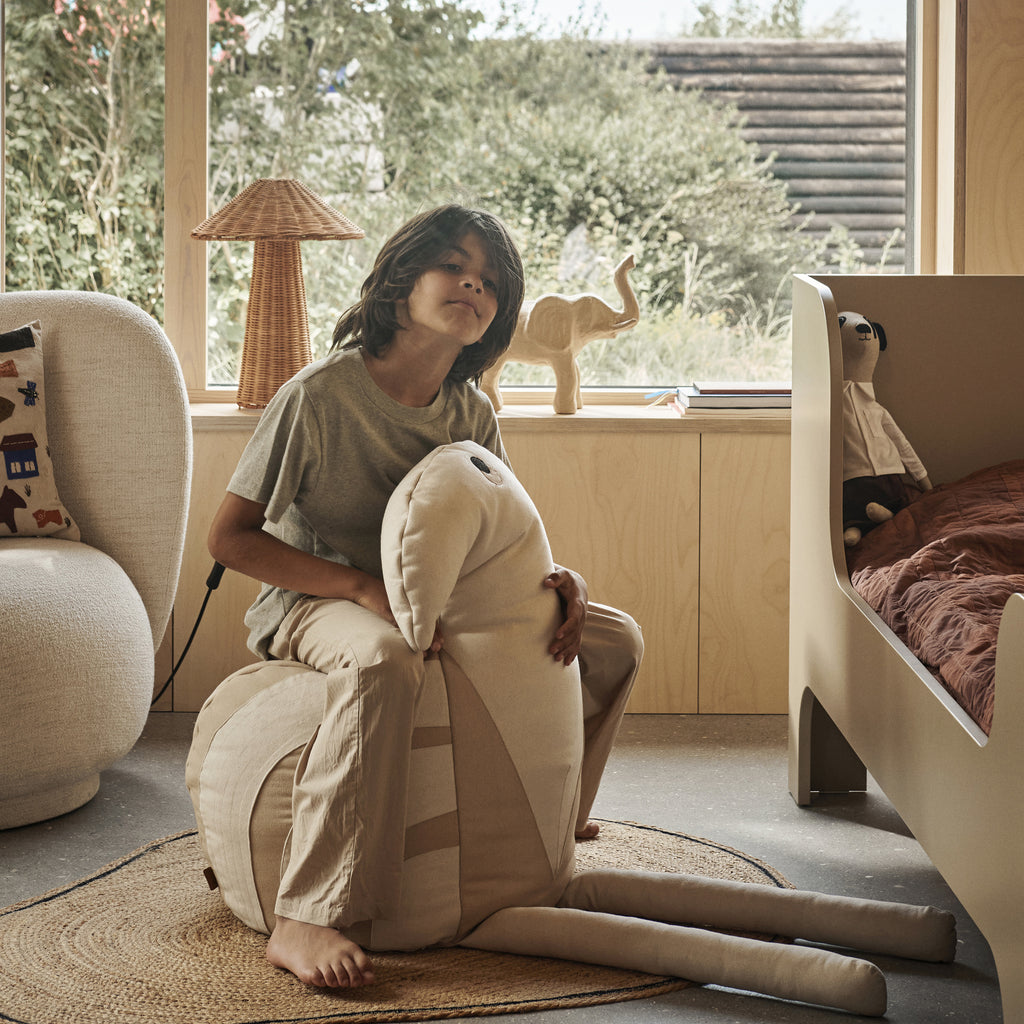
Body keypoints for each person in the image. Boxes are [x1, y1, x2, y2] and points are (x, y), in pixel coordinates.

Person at [208, 205, 643, 990]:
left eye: (490, 281)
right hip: (318, 599)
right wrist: (360, 587)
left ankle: (558, 816)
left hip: (435, 599)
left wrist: (562, 581)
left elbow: (500, 527)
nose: (473, 285)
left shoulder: (471, 410)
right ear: (401, 281)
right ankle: (308, 913)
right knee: (384, 660)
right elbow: (230, 539)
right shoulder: (319, 396)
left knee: (615, 638)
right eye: (454, 265)